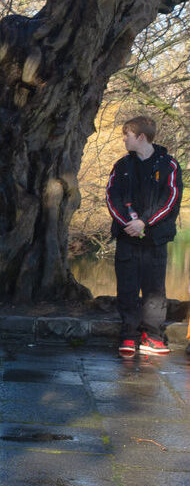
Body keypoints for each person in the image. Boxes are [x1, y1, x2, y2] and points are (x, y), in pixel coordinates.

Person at [105, 115, 180, 357]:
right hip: (127, 237)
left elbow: (170, 200)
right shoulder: (121, 166)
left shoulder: (169, 165)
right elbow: (111, 196)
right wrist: (129, 223)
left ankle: (153, 337)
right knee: (127, 288)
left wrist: (144, 222)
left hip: (155, 239)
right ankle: (128, 335)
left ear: (141, 137)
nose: (124, 139)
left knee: (154, 290)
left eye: (127, 135)